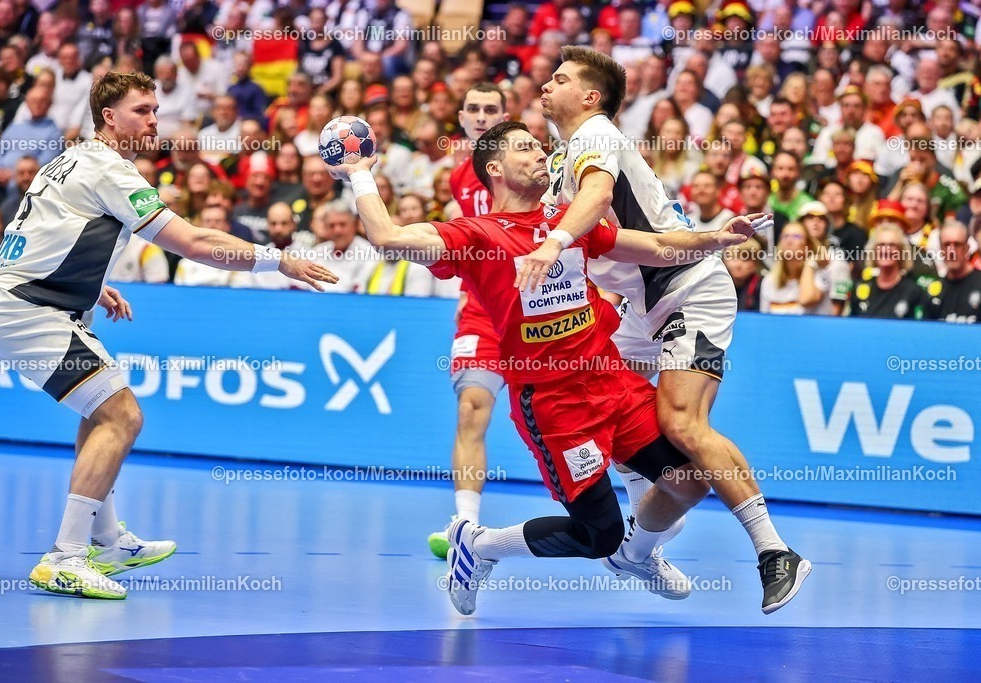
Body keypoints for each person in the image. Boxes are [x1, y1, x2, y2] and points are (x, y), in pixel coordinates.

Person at [329, 121, 764, 616]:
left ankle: (639, 555)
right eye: (523, 148)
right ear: (494, 169)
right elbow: (388, 239)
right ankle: (483, 544)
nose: (539, 153)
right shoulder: (474, 236)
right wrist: (361, 174)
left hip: (612, 382)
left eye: (539, 145)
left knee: (688, 478)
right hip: (557, 406)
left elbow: (661, 248)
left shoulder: (566, 223)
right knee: (597, 534)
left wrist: (717, 237)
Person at [0, 72, 338, 600]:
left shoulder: (68, 159)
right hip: (25, 310)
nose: (153, 119)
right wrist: (277, 260)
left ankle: (106, 541)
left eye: (155, 109)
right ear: (109, 117)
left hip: (21, 299)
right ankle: (64, 558)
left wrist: (91, 288)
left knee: (100, 413)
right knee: (124, 415)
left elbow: (38, 235)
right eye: (141, 110)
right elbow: (192, 242)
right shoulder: (108, 168)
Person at [517, 46, 810, 613]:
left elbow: (598, 198)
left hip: (687, 290)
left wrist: (553, 241)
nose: (546, 85)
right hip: (640, 304)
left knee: (680, 422)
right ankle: (637, 546)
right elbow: (614, 237)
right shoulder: (563, 157)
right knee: (604, 389)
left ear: (590, 96)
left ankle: (775, 552)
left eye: (560, 79)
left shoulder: (596, 135)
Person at [425, 82, 509, 559]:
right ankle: (465, 527)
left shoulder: (533, 167)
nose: (480, 115)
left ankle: (642, 511)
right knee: (471, 408)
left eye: (490, 109)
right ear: (461, 117)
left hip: (539, 309)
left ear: (505, 116)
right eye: (473, 108)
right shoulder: (459, 178)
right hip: (481, 310)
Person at [925, 222, 981, 324]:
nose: (951, 251)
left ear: (967, 248)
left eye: (957, 244)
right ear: (941, 250)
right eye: (946, 245)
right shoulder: (934, 290)